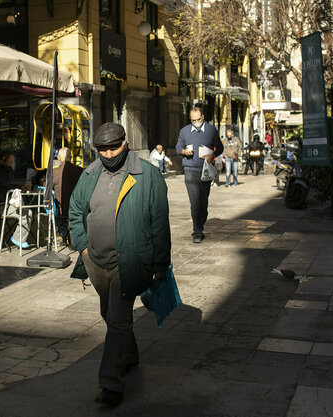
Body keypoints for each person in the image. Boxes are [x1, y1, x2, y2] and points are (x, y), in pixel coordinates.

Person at [68, 122, 171, 407]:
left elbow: (160, 223)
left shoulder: (148, 175)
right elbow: (75, 209)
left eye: (114, 147)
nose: (109, 153)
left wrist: (161, 263)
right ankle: (130, 355)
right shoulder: (88, 174)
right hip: (95, 261)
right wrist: (83, 246)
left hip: (130, 262)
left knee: (116, 319)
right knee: (110, 314)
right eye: (103, 149)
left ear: (125, 144)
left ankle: (111, 385)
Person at [176, 107, 223, 243]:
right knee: (195, 201)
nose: (196, 122)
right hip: (190, 171)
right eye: (193, 120)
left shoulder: (211, 130)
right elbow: (178, 148)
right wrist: (184, 152)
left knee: (203, 201)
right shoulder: (184, 131)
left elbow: (219, 147)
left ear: (203, 117)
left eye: (198, 119)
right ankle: (197, 231)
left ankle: (200, 224)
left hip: (205, 170)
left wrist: (212, 155)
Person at [0, 152, 32, 249]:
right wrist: (9, 168)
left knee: (26, 210)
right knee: (28, 213)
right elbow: (7, 181)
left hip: (1, 204)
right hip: (0, 207)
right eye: (10, 162)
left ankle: (18, 238)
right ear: (3, 159)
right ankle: (17, 238)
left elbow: (6, 185)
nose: (11, 165)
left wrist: (19, 187)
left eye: (12, 162)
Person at [51, 147, 83, 240]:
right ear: (71, 157)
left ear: (58, 158)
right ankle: (71, 235)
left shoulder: (55, 172)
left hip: (61, 209)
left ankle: (64, 234)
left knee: (53, 211)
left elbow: (47, 187)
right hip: (77, 208)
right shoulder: (79, 170)